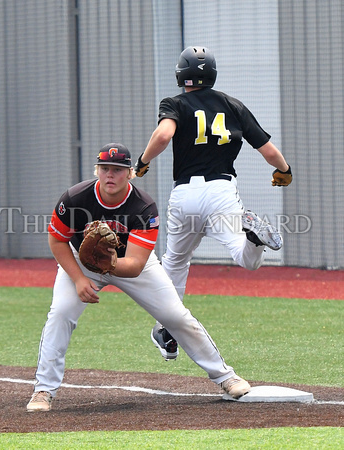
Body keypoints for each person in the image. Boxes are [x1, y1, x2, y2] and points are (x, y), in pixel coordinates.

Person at [27, 142, 251, 412]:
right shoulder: (75, 198)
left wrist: (107, 262)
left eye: (118, 170)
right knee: (60, 313)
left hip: (131, 263)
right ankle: (43, 390)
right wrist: (78, 278)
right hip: (80, 263)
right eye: (105, 168)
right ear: (97, 170)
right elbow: (57, 241)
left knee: (175, 315)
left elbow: (134, 265)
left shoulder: (143, 207)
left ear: (130, 173)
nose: (111, 175)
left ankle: (226, 376)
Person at [134, 46, 292, 361]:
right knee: (247, 259)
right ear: (212, 74)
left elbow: (164, 136)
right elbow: (268, 149)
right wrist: (284, 171)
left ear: (181, 75)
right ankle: (253, 236)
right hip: (221, 191)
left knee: (175, 263)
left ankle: (166, 330)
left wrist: (141, 161)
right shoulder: (233, 105)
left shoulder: (174, 103)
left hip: (185, 194)